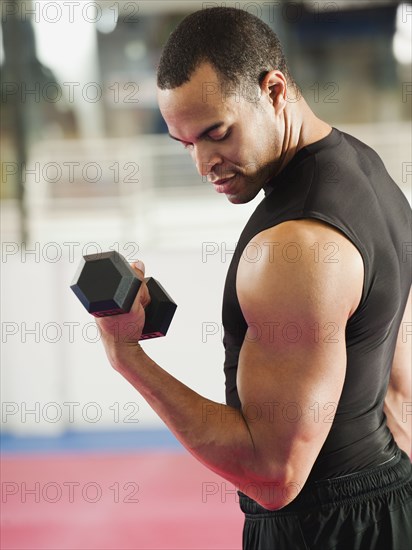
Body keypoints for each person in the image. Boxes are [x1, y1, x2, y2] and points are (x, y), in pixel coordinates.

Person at [96, 7, 412, 549]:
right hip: (389, 505)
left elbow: (273, 477)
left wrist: (128, 357)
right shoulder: (368, 173)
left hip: (323, 531)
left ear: (274, 89)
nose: (204, 163)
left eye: (217, 133)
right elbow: (398, 389)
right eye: (186, 143)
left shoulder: (293, 248)